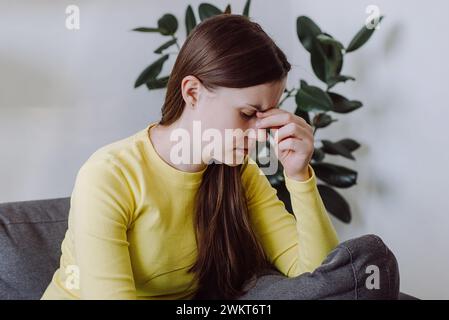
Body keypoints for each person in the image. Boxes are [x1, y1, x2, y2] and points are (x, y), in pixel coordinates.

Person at [41, 14, 398, 300]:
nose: (260, 134)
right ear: (193, 92)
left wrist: (300, 175)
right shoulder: (110, 175)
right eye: (247, 113)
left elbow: (322, 279)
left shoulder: (240, 174)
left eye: (267, 115)